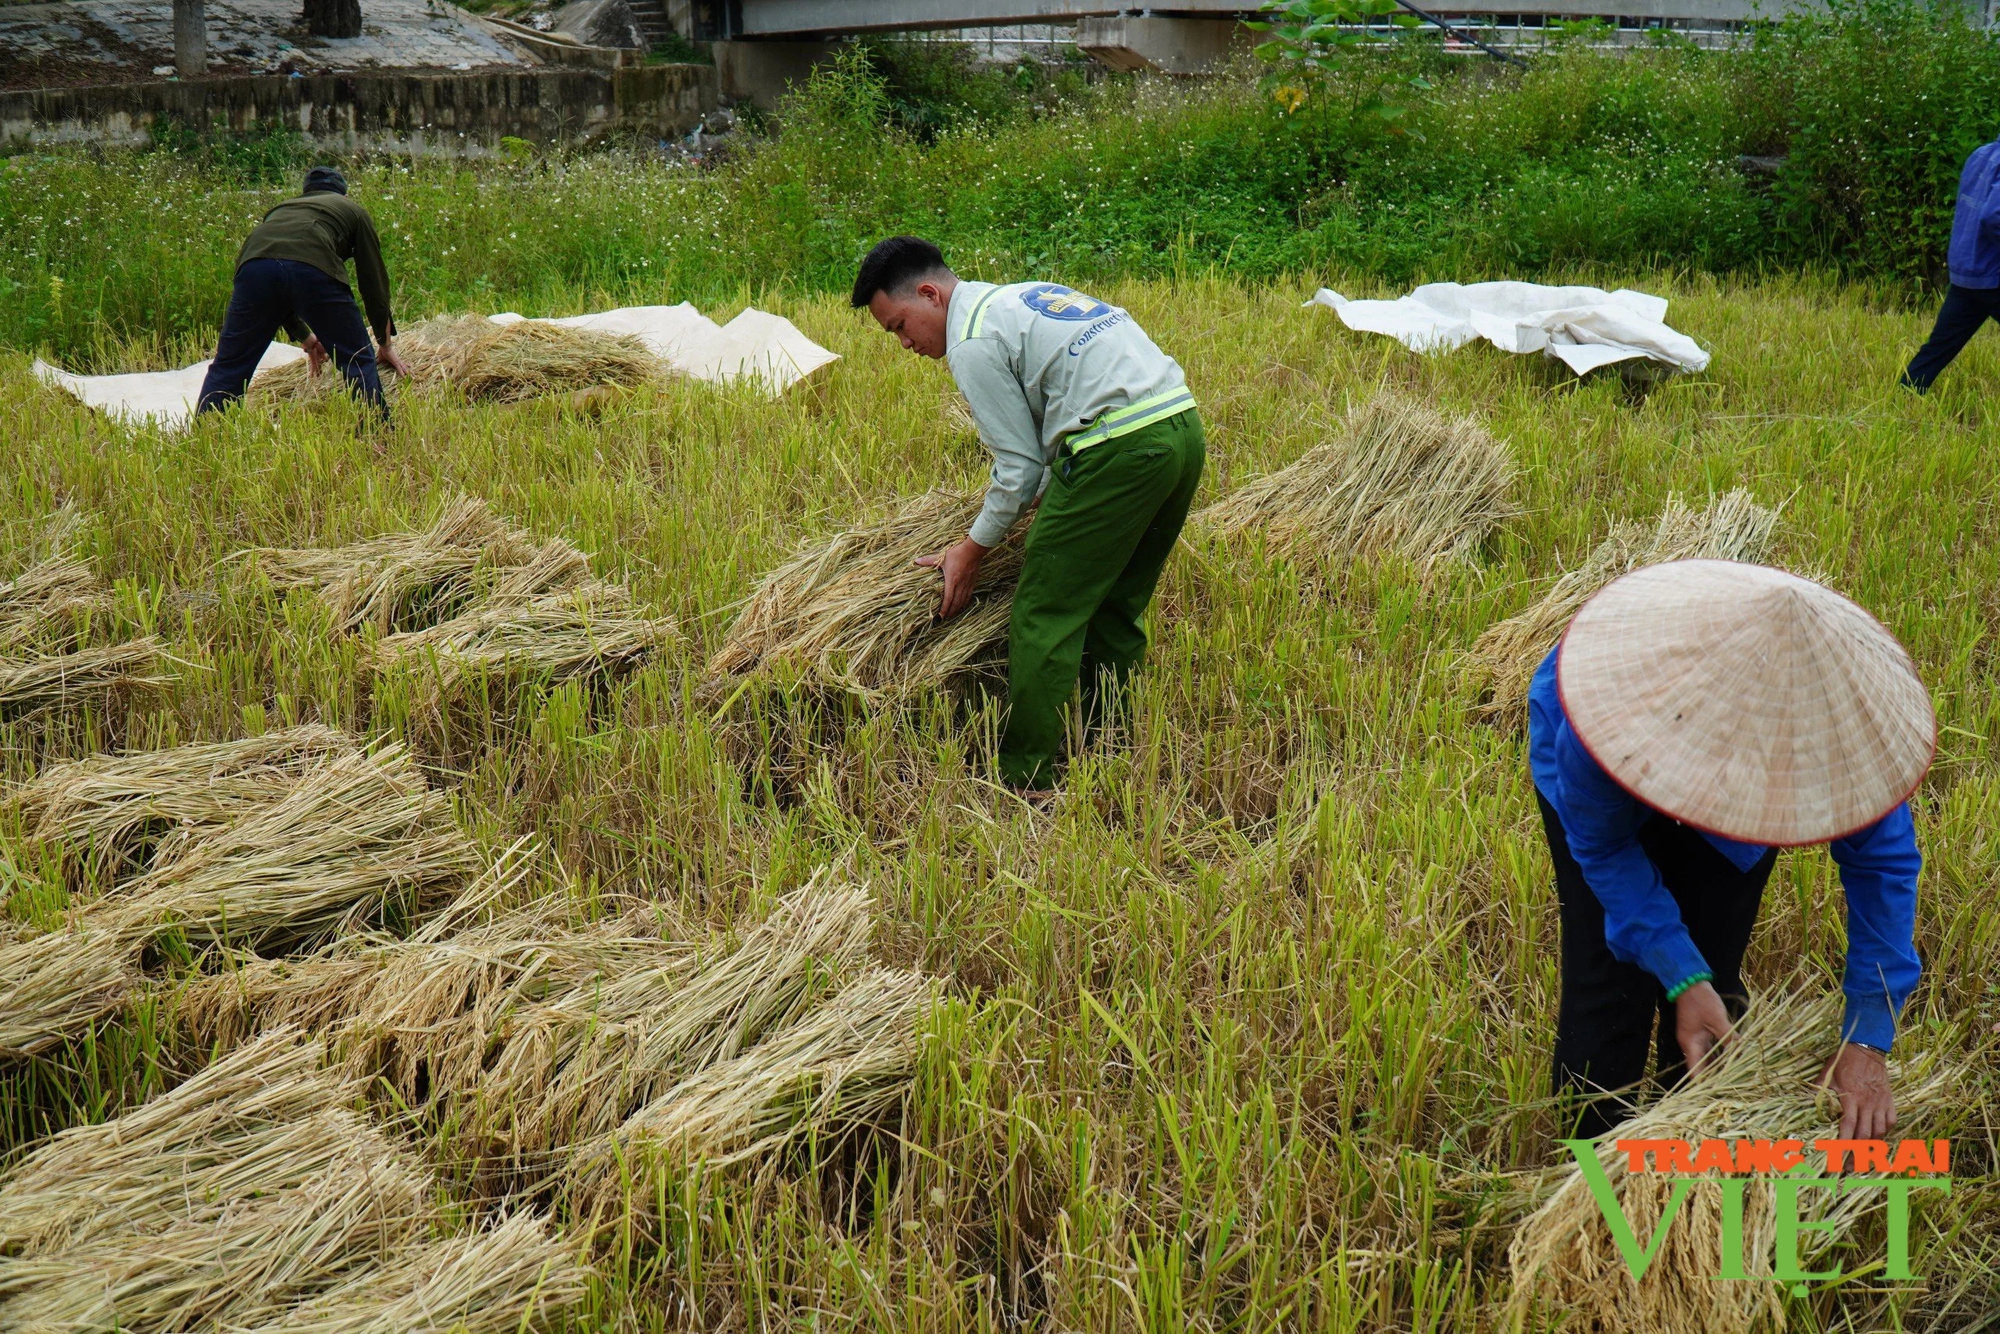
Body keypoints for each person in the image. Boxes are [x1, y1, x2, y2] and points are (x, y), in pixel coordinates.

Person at [1530, 559, 1932, 1141]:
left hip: (1741, 785)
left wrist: (1867, 1035)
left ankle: (1686, 1142)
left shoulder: (1841, 734)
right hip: (1610, 764)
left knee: (1712, 978)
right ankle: (1586, 1170)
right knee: (1608, 988)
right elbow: (1603, 845)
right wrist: (1675, 970)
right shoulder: (1600, 722)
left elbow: (1883, 865)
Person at [852, 236, 1202, 790]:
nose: (904, 344)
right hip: (1180, 430)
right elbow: (1042, 444)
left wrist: (969, 551)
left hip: (1118, 448)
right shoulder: (1019, 298)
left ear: (928, 294)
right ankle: (1111, 746)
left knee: (1043, 614)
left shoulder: (971, 340)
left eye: (898, 326)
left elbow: (1016, 469)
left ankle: (1025, 779)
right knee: (1114, 604)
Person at [196, 166, 407, 418]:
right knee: (357, 359)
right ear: (343, 194)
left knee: (230, 364)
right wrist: (384, 343)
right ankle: (377, 433)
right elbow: (373, 283)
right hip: (313, 267)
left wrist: (305, 336)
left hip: (253, 269)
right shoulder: (352, 210)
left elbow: (277, 274)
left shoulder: (280, 211)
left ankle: (205, 433)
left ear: (305, 192)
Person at [1902, 135, 2000, 392]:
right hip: (1993, 275)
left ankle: (1906, 393)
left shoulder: (1980, 155)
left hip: (1966, 271)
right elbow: (1993, 216)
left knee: (1938, 348)